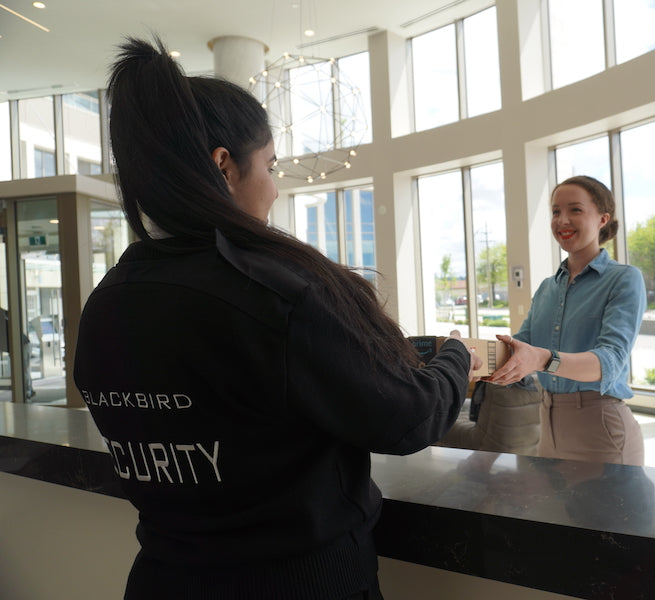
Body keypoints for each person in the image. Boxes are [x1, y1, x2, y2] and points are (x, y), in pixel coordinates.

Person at [73, 36, 480, 600]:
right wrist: (460, 355)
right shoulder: (271, 295)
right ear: (225, 166)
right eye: (270, 164)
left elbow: (256, 383)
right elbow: (406, 417)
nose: (276, 186)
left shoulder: (107, 303)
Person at [487, 175, 646, 465]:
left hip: (602, 431)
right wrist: (467, 356)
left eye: (575, 210)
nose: (562, 220)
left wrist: (543, 360)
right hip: (547, 428)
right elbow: (521, 349)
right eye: (556, 211)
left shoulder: (624, 279)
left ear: (602, 219)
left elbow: (609, 361)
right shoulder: (548, 286)